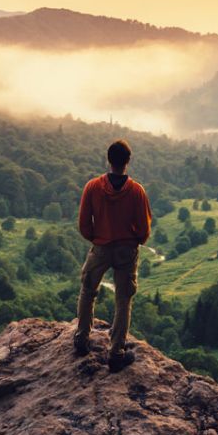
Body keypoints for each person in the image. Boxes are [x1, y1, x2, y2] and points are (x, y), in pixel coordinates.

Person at [74, 139, 152, 372]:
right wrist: (135, 241)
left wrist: (97, 239)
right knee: (123, 299)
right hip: (126, 250)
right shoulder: (136, 191)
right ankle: (116, 352)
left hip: (100, 248)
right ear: (128, 161)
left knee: (88, 291)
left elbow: (84, 223)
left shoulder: (93, 187)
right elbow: (144, 227)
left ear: (108, 160)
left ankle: (81, 340)